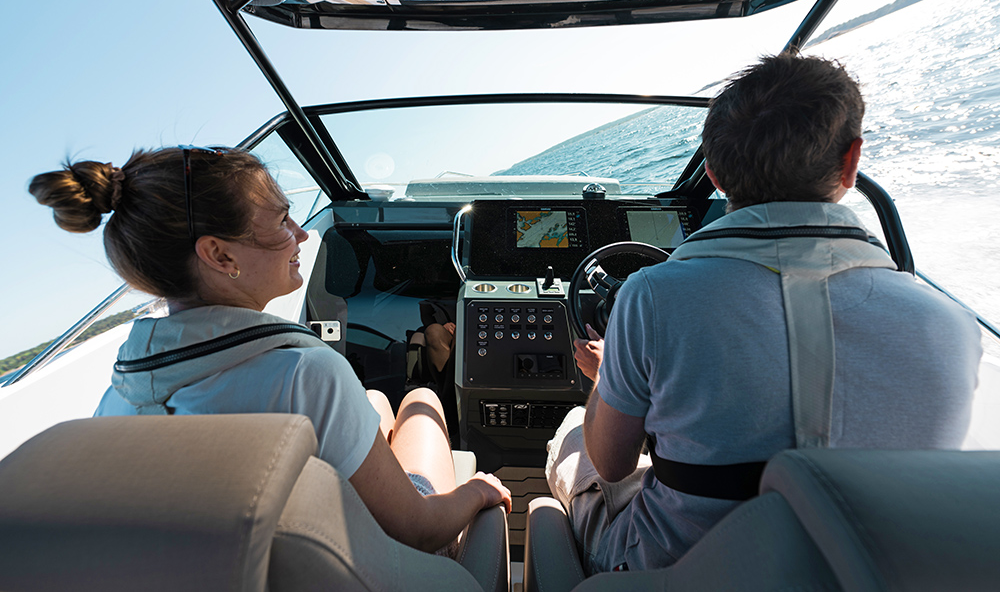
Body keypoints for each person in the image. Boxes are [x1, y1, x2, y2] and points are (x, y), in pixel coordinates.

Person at [547, 53, 982, 574]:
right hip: (869, 569)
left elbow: (613, 463)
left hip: (676, 567)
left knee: (574, 436)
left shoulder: (650, 296)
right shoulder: (952, 325)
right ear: (851, 161)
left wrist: (603, 378)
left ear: (715, 174)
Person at [30, 147, 510, 556]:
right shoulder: (305, 374)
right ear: (221, 256)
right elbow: (419, 530)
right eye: (282, 220)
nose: (302, 234)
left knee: (377, 403)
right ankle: (427, 387)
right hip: (383, 560)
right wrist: (477, 491)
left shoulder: (115, 402)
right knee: (421, 402)